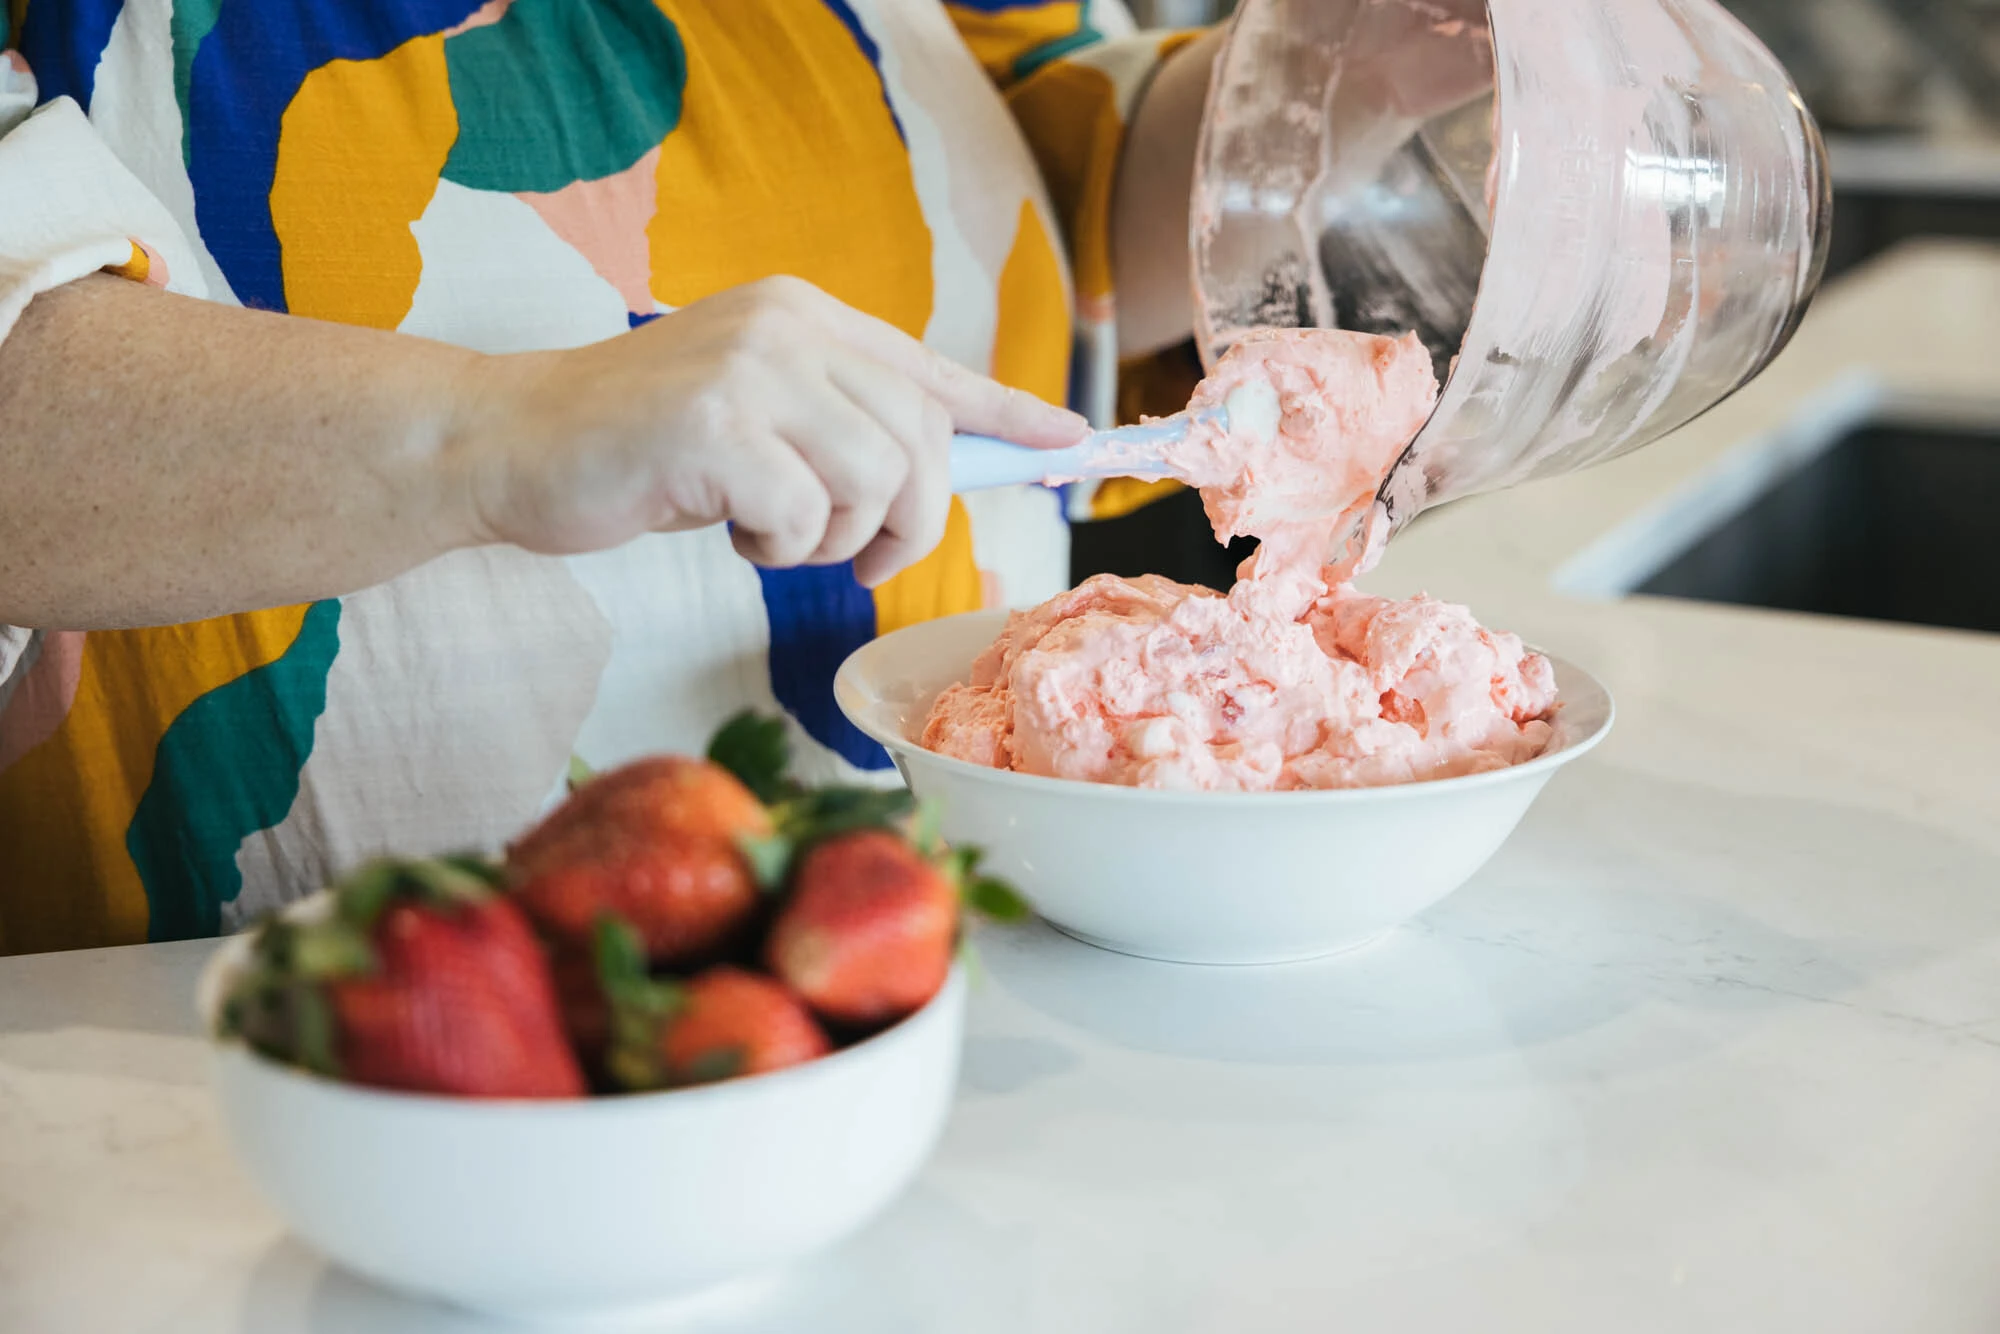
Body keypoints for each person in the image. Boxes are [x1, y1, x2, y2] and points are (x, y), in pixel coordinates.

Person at [0, 0, 1222, 954]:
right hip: (208, 1079)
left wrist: (1343, 80)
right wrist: (499, 429)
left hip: (928, 996)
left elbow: (1049, 204)